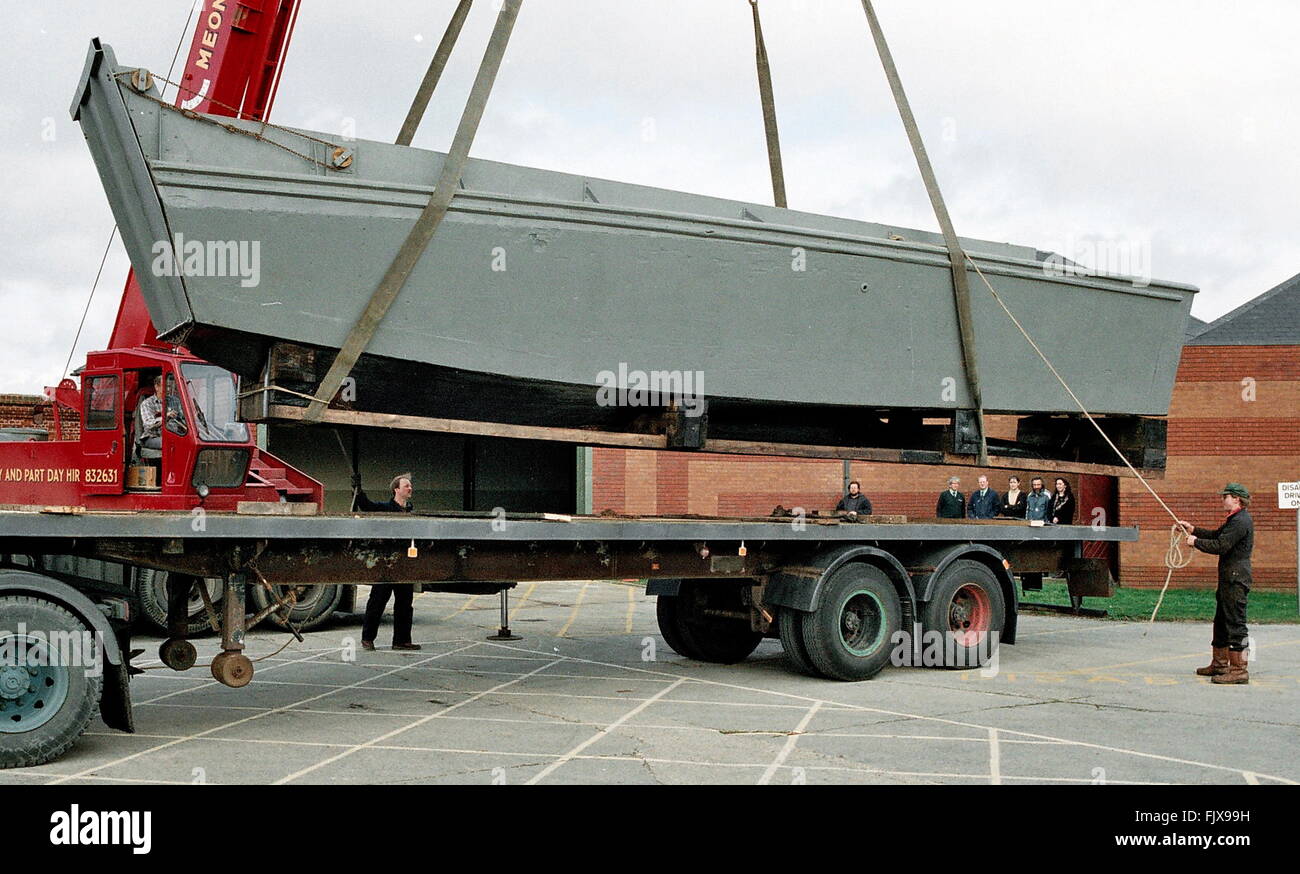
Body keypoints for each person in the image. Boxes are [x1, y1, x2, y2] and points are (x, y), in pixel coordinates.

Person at [1178, 483, 1254, 685]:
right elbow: (1216, 535)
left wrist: (1195, 542)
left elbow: (1221, 545)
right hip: (1229, 579)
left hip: (1236, 579)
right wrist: (1193, 530)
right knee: (1221, 622)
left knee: (1236, 624)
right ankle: (1219, 664)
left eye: (1225, 496)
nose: (1222, 500)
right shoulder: (1234, 519)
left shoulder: (1241, 521)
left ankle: (1239, 670)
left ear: (1236, 498)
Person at [354, 472, 421, 651]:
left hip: (404, 564)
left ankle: (401, 641)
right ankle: (368, 638)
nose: (410, 488)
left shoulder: (411, 512)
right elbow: (366, 506)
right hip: (386, 563)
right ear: (396, 490)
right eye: (406, 486)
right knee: (377, 601)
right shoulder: (385, 508)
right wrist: (358, 491)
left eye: (410, 486)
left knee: (405, 604)